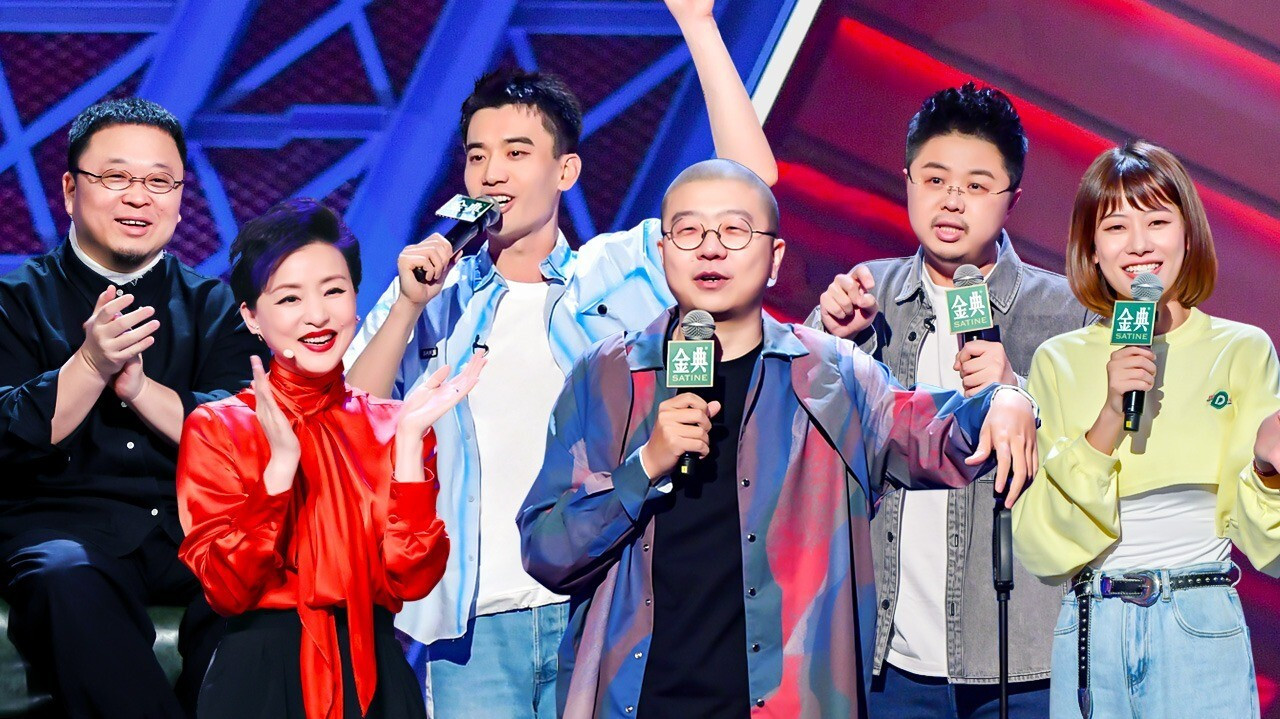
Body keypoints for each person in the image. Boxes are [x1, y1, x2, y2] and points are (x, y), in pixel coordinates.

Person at [342, 1, 777, 714]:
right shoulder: (432, 295)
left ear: (565, 170)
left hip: (606, 600)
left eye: (517, 153)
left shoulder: (613, 272)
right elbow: (352, 414)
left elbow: (748, 181)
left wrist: (700, 27)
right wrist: (410, 304)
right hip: (474, 622)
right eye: (477, 156)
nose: (492, 173)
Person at [517, 158, 1039, 718]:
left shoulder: (833, 376)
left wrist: (1009, 399)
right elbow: (546, 550)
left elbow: (937, 434)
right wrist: (644, 467)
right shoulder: (608, 376)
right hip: (636, 700)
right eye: (689, 231)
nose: (710, 249)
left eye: (734, 231)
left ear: (775, 257)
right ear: (664, 251)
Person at [810, 83, 1091, 717]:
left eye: (976, 185)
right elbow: (795, 443)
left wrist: (1019, 390)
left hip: (1021, 662)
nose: (952, 201)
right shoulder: (867, 294)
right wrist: (830, 340)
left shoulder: (1066, 314)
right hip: (886, 658)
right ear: (908, 180)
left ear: (1012, 199)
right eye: (935, 180)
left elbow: (1101, 470)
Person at [0, 97, 264, 718]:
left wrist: (144, 393)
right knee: (65, 575)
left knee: (275, 580)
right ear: (70, 190)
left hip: (190, 534)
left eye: (158, 182)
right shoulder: (13, 301)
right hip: (61, 533)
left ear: (180, 197)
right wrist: (90, 365)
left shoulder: (217, 308)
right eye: (115, 177)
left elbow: (246, 434)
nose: (138, 197)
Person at [176, 199, 482, 719]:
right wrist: (279, 473)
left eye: (334, 291)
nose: (317, 315)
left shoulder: (393, 424)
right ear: (251, 317)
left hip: (374, 672)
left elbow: (412, 579)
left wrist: (410, 445)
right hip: (260, 675)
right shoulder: (219, 427)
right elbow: (227, 588)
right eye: (289, 298)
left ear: (356, 300)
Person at [1011, 141, 1280, 718]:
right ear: (1092, 249)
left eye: (1157, 221)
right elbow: (1040, 547)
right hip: (1092, 626)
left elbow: (1271, 547)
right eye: (1115, 227)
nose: (1138, 245)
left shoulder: (1241, 350)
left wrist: (1266, 470)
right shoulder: (1058, 361)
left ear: (1188, 235)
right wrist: (1110, 414)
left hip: (1197, 621)